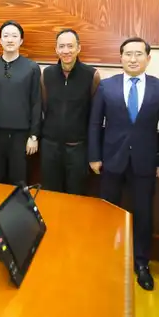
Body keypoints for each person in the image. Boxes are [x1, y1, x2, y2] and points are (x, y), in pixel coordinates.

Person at [88, 37, 159, 291]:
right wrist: (94, 156)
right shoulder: (107, 86)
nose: (133, 59)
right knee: (107, 213)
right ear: (121, 57)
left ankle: (141, 263)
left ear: (148, 58)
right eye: (128, 54)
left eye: (138, 54)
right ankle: (106, 256)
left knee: (144, 215)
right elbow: (95, 123)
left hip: (145, 163)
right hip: (111, 160)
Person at [40, 29, 100, 195]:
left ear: (78, 48)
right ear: (56, 49)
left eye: (70, 46)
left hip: (78, 149)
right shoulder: (47, 74)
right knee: (50, 194)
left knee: (76, 195)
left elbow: (95, 116)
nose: (66, 50)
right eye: (61, 46)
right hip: (50, 147)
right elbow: (43, 107)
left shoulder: (91, 75)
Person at [0, 21, 41, 185]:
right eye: (6, 36)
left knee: (19, 182)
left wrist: (34, 135)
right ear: (0, 40)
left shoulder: (32, 67)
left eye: (14, 36)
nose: (10, 40)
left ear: (21, 40)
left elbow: (36, 102)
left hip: (21, 136)